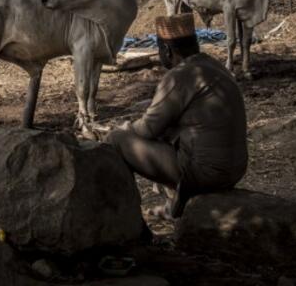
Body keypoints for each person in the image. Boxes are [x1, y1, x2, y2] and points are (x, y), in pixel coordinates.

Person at [105, 13, 248, 218]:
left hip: (205, 174)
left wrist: (125, 126)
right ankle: (174, 204)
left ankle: (121, 218)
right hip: (234, 170)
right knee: (169, 131)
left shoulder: (180, 76)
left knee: (117, 139)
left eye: (159, 49)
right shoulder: (214, 65)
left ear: (167, 50)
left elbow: (147, 129)